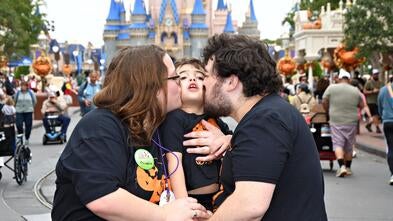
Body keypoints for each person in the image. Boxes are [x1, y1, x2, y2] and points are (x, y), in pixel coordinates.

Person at [51, 45, 211, 221]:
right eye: (175, 77)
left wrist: (227, 140)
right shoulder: (100, 126)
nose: (181, 83)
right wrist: (164, 214)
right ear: (150, 85)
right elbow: (102, 198)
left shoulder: (156, 125)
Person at [183, 34, 327, 220]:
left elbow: (249, 206)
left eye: (207, 75)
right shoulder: (269, 113)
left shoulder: (263, 120)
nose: (203, 83)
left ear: (231, 82)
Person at [159, 58, 231, 211]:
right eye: (183, 77)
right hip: (191, 198)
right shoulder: (174, 119)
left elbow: (234, 139)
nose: (192, 79)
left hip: (220, 196)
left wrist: (228, 139)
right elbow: (174, 163)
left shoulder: (214, 119)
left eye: (199, 77)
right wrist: (184, 204)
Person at [323, 69, 363, 177]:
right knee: (349, 145)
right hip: (352, 120)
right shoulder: (355, 90)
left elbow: (324, 100)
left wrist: (327, 111)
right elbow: (361, 104)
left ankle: (341, 167)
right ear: (349, 79)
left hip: (336, 119)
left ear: (339, 78)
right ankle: (348, 168)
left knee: (338, 143)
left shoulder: (331, 88)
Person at [377, 76, 393, 185]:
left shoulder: (383, 90)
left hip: (387, 121)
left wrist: (382, 116)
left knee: (391, 148)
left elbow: (379, 106)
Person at [364, 69, 383, 133]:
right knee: (375, 115)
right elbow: (364, 91)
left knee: (377, 115)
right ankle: (377, 128)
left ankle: (368, 125)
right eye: (375, 74)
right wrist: (372, 91)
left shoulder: (380, 82)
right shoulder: (369, 82)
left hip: (378, 101)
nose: (376, 75)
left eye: (377, 74)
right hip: (371, 101)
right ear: (372, 75)